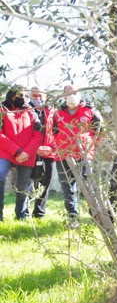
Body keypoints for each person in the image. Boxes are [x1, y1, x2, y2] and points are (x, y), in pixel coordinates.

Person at [52, 84, 103, 227]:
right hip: (63, 156)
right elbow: (54, 132)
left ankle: (96, 217)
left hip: (84, 155)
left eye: (74, 92)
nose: (71, 94)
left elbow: (99, 130)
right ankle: (73, 218)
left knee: (88, 187)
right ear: (63, 96)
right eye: (67, 92)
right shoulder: (58, 114)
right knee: (68, 188)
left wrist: (91, 147)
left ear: (79, 93)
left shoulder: (90, 111)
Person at [0, 86, 43, 221]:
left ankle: (21, 216)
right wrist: (16, 151)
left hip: (26, 154)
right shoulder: (2, 110)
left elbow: (38, 135)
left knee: (22, 187)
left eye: (25, 95)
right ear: (12, 95)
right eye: (20, 95)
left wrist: (26, 152)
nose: (23, 98)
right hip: (5, 152)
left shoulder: (31, 112)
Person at [29, 87, 57, 218]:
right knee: (29, 182)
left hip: (48, 152)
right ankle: (24, 212)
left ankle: (39, 213)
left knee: (45, 181)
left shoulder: (53, 112)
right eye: (34, 96)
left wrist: (52, 147)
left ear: (46, 97)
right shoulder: (26, 110)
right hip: (30, 152)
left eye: (40, 96)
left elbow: (60, 133)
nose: (38, 99)